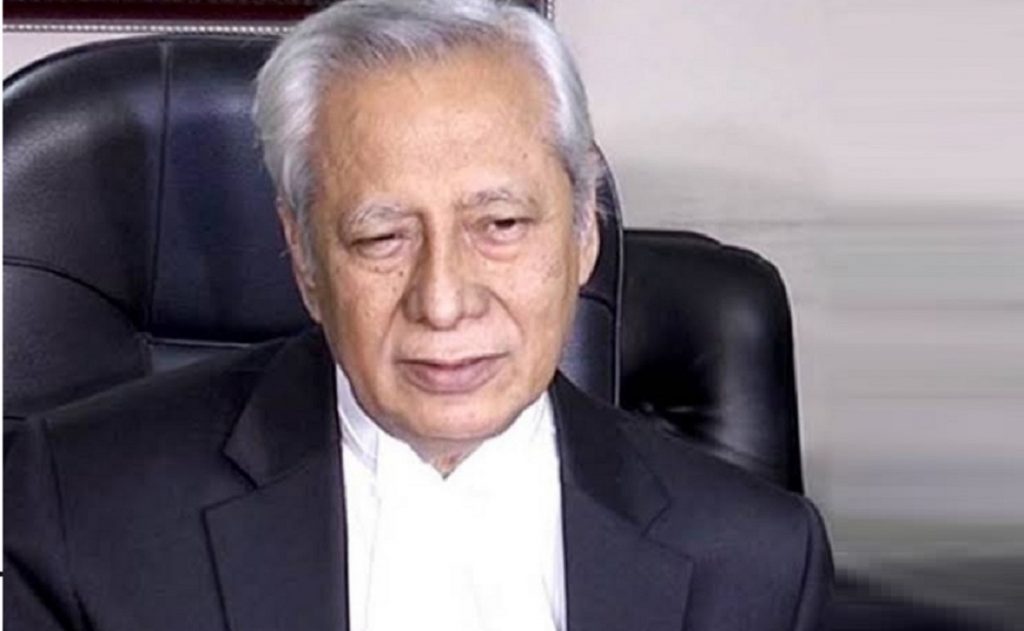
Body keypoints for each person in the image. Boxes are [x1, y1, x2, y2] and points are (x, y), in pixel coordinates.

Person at [4, 1, 832, 629]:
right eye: (381, 236)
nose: (442, 300)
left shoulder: (757, 564)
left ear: (584, 229)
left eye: (499, 224)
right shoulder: (78, 506)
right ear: (303, 256)